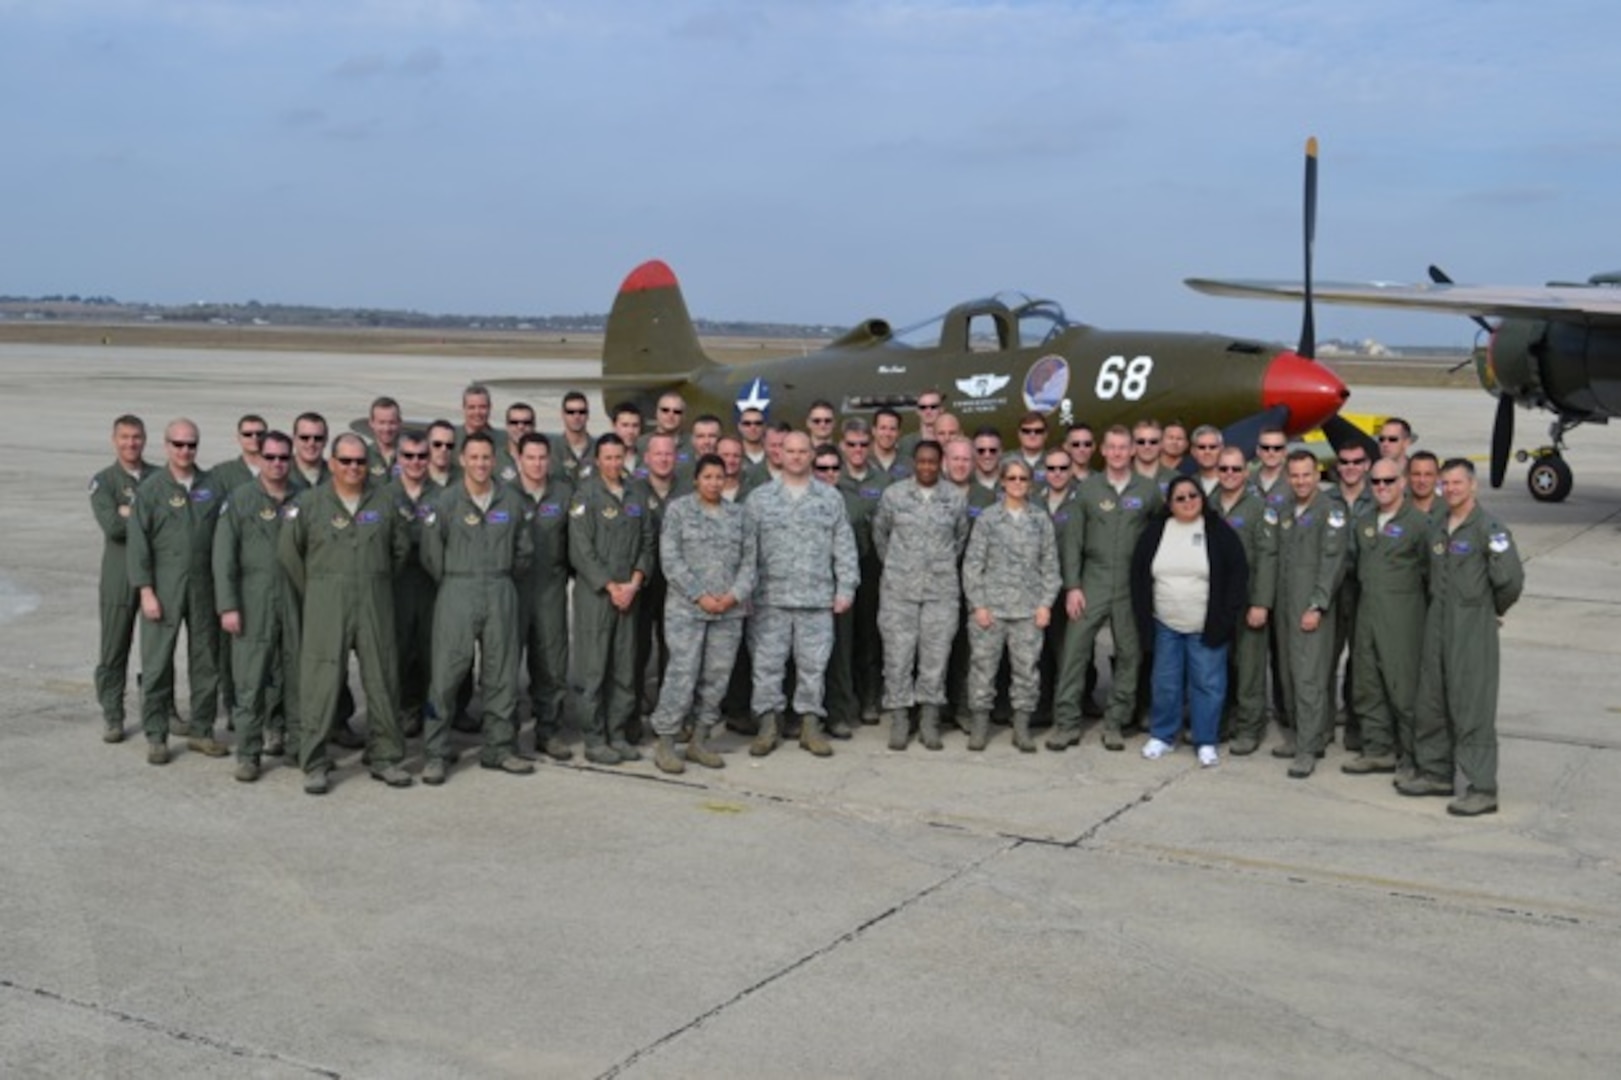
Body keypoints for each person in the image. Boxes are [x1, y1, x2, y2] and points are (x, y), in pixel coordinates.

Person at [277, 433, 412, 794]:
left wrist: (375, 580)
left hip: (374, 601)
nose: (354, 468)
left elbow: (400, 550)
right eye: (346, 461)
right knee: (320, 682)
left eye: (360, 462)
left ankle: (386, 757)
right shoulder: (309, 503)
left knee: (382, 677)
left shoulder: (384, 503)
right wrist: (320, 588)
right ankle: (315, 762)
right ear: (332, 463)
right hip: (326, 602)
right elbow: (290, 554)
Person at [1402, 459, 1524, 816]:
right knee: (1432, 699)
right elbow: (1427, 571)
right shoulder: (1437, 527)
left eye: (1458, 483)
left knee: (1472, 705)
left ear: (1473, 486)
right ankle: (1436, 772)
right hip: (1437, 623)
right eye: (1447, 484)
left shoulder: (1489, 528)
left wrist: (1486, 610)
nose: (1451, 489)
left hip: (1472, 628)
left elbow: (1510, 582)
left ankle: (1481, 787)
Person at [419, 432, 534, 783]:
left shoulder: (511, 501)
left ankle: (500, 748)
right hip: (457, 587)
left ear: (494, 461)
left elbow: (524, 551)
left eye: (487, 457)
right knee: (446, 674)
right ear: (462, 460)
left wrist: (498, 577)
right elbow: (430, 554)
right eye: (475, 457)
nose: (481, 464)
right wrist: (457, 579)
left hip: (501, 587)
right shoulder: (444, 502)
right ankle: (436, 752)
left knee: (501, 674)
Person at [741, 432, 859, 757]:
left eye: (801, 451)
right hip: (769, 599)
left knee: (814, 666)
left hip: (815, 598)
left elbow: (843, 546)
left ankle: (810, 725)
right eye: (789, 451)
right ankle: (768, 724)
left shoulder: (830, 498)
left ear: (811, 455)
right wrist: (745, 592)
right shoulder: (759, 499)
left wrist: (845, 587)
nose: (795, 456)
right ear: (779, 454)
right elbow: (747, 552)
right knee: (766, 664)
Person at [1048, 425, 1163, 751]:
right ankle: (1067, 723)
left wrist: (1150, 585)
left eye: (1122, 447)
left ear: (1131, 451)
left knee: (1129, 654)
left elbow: (1158, 534)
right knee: (1074, 652)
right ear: (1103, 450)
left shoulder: (1149, 491)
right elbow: (1073, 542)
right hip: (1093, 580)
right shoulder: (1087, 490)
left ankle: (1115, 722)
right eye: (1111, 447)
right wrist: (1072, 586)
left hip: (1130, 584)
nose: (1116, 453)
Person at [127, 419, 227, 764]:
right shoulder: (151, 489)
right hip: (164, 587)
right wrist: (146, 591)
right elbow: (138, 545)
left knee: (206, 662)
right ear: (166, 445)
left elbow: (225, 539)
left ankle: (202, 730)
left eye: (191, 445)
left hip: (204, 587)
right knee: (156, 664)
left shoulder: (212, 486)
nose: (185, 451)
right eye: (178, 444)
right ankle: (156, 735)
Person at [1130, 475, 1249, 766]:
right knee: (1165, 683)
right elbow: (1138, 574)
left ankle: (1205, 739)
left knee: (1207, 683)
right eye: (1179, 498)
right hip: (1165, 623)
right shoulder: (1157, 531)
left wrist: (1225, 617)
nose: (1187, 502)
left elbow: (1237, 574)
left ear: (1202, 498)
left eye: (1193, 496)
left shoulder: (1218, 531)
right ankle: (1163, 735)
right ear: (1169, 504)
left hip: (1205, 625)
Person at [649, 454, 756, 774]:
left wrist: (733, 596)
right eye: (707, 476)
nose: (713, 482)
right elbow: (670, 560)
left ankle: (699, 740)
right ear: (696, 479)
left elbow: (750, 562)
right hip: (688, 611)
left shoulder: (740, 516)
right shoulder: (679, 511)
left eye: (719, 477)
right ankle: (666, 742)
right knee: (682, 675)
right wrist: (701, 596)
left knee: (716, 679)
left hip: (728, 612)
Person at [212, 430, 299, 780]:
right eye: (270, 457)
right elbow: (223, 558)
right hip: (253, 599)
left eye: (283, 458)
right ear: (259, 459)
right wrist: (228, 606)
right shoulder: (241, 500)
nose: (277, 464)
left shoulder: (304, 499)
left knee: (294, 678)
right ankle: (248, 753)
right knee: (250, 681)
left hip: (293, 601)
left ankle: (292, 743)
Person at [873, 440, 969, 750]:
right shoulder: (894, 495)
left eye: (932, 462)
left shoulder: (953, 498)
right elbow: (881, 535)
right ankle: (900, 717)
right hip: (899, 591)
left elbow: (960, 539)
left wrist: (936, 567)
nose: (927, 467)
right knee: (897, 656)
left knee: (935, 657)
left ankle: (929, 718)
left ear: (940, 464)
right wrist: (901, 567)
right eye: (922, 461)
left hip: (940, 592)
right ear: (914, 462)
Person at [568, 433, 655, 765]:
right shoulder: (585, 496)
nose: (614, 464)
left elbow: (648, 543)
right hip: (597, 596)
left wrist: (633, 583)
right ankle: (594, 738)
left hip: (628, 595)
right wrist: (610, 586)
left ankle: (617, 733)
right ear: (597, 460)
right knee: (593, 669)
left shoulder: (636, 494)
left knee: (623, 668)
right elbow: (581, 550)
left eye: (619, 457)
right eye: (608, 458)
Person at [961, 461, 1060, 751]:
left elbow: (1050, 566)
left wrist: (1045, 604)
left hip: (1028, 611)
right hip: (991, 609)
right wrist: (978, 604)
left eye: (1023, 478)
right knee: (982, 669)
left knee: (1027, 672)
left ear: (1030, 483)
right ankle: (979, 725)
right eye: (1012, 478)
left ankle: (1021, 728)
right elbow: (973, 565)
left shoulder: (1040, 520)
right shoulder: (988, 519)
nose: (1017, 482)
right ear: (1002, 482)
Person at [1343, 457, 1430, 777]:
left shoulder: (1419, 524)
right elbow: (1351, 566)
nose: (1381, 487)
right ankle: (1377, 749)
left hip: (1403, 617)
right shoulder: (1364, 521)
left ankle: (1411, 755)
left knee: (1403, 688)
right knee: (1367, 684)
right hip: (1367, 614)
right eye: (1376, 482)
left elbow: (1432, 574)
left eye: (1388, 481)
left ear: (1403, 483)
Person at [1273, 449, 1349, 778]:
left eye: (1307, 474)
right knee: (1289, 674)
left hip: (1311, 608)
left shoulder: (1330, 511)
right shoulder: (1286, 509)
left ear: (1317, 476)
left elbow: (1332, 562)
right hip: (1285, 606)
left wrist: (1317, 604)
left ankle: (1307, 749)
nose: (1301, 481)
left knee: (1309, 679)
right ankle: (1303, 736)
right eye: (1295, 475)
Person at [90, 414, 158, 743]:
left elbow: (170, 527)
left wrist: (130, 511)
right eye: (125, 437)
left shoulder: (160, 477)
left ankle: (158, 710)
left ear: (145, 439)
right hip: (119, 576)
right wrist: (143, 516)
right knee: (114, 649)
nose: (131, 443)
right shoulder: (104, 481)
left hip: (155, 577)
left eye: (137, 437)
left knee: (155, 650)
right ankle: (113, 714)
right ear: (114, 440)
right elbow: (113, 528)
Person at [512, 432, 575, 762]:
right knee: (506, 663)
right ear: (519, 459)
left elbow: (575, 543)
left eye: (542, 458)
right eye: (530, 458)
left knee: (551, 663)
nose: (537, 464)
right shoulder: (505, 495)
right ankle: (505, 732)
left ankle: (548, 731)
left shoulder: (563, 495)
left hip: (550, 588)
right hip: (514, 591)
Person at [1213, 446, 1277, 756]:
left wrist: (1262, 602)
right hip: (1217, 601)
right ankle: (1223, 721)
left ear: (1246, 472)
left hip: (1249, 598)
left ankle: (1251, 727)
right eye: (1223, 469)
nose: (1229, 475)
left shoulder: (1258, 507)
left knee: (1249, 666)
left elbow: (1268, 557)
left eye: (1235, 469)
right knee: (1219, 665)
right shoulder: (1208, 503)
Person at [385, 430, 440, 738]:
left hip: (432, 584)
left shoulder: (443, 497)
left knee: (431, 650)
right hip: (399, 583)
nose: (416, 462)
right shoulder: (384, 497)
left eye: (422, 456)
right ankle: (404, 710)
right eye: (408, 456)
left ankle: (432, 712)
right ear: (398, 458)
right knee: (400, 651)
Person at [835, 419, 889, 725]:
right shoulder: (832, 477)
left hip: (871, 565)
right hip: (839, 566)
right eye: (851, 444)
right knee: (843, 638)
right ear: (843, 445)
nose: (857, 450)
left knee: (870, 634)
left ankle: (870, 697)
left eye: (862, 444)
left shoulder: (882, 481)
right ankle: (846, 699)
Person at [556, 391, 596, 482]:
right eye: (571, 412)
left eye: (582, 412)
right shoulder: (551, 451)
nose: (576, 416)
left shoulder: (599, 450)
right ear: (562, 414)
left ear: (588, 415)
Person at [289, 412, 331, 491]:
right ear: (294, 439)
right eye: (304, 438)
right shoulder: (280, 474)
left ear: (326, 440)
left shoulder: (338, 476)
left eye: (318, 438)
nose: (311, 443)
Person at [364, 397, 402, 480]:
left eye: (392, 423)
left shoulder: (411, 456)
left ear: (399, 423)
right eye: (381, 423)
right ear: (371, 423)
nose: (387, 429)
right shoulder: (363, 456)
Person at [1007, 412, 1050, 484]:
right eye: (1026, 431)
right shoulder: (1004, 461)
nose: (1032, 435)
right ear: (1019, 434)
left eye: (1038, 431)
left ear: (1045, 434)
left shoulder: (1056, 461)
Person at [498, 402, 535, 483]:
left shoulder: (546, 460)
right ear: (507, 426)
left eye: (526, 423)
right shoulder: (495, 459)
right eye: (514, 422)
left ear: (534, 426)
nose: (520, 427)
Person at [1406, 451, 1442, 519]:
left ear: (1438, 476)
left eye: (1428, 475)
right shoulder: (1395, 509)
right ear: (1408, 476)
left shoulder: (1451, 510)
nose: (1422, 480)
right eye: (1416, 474)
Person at [1189, 425, 1223, 494]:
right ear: (1193, 451)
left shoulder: (1236, 481)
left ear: (1221, 450)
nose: (1207, 452)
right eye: (1201, 447)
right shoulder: (1187, 485)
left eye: (1212, 447)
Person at [426, 420, 459, 487]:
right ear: (427, 444)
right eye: (437, 444)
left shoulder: (464, 479)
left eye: (449, 445)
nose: (444, 449)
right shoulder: (416, 476)